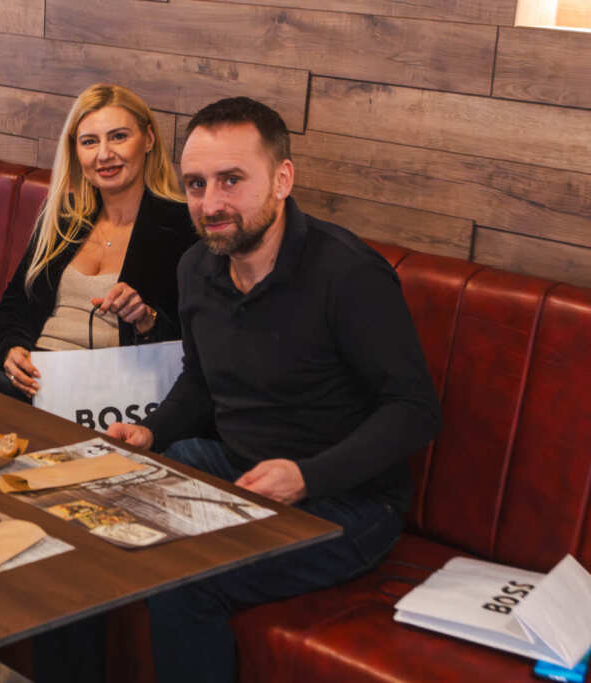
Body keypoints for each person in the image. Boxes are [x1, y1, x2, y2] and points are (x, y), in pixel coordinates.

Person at [107, 97, 441, 682]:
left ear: (282, 179)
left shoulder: (349, 274)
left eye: (231, 180)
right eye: (195, 184)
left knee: (184, 581)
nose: (210, 203)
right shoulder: (195, 268)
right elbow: (201, 382)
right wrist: (151, 432)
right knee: (96, 520)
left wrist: (308, 476)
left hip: (350, 502)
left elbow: (415, 411)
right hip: (238, 468)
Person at [0, 83, 197, 400]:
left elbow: (193, 346)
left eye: (119, 137)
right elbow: (14, 304)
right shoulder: (64, 216)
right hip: (33, 384)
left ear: (148, 139)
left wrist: (147, 320)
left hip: (114, 396)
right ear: (75, 151)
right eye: (90, 141)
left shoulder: (182, 226)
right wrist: (12, 349)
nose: (104, 154)